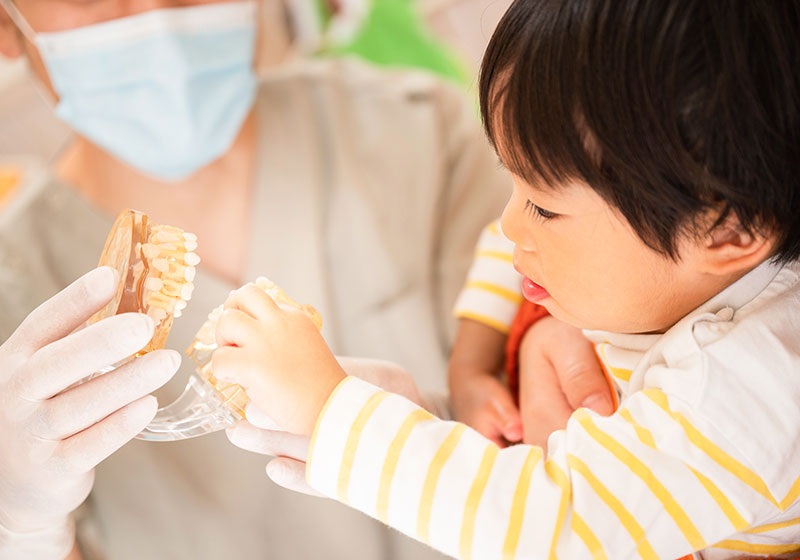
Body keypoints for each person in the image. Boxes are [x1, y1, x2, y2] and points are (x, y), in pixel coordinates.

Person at [213, 0, 800, 558]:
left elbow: (549, 523)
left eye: (543, 207)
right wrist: (446, 394)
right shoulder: (671, 269)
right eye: (512, 183)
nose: (506, 222)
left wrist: (333, 413)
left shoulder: (748, 391)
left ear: (726, 231)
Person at [0, 0, 522, 558]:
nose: (155, 13)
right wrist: (22, 529)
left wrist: (558, 332)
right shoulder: (15, 292)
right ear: (7, 24)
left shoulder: (419, 132)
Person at [448, 218, 615, 448]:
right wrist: (468, 378)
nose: (511, 219)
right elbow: (505, 237)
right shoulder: (515, 234)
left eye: (542, 208)